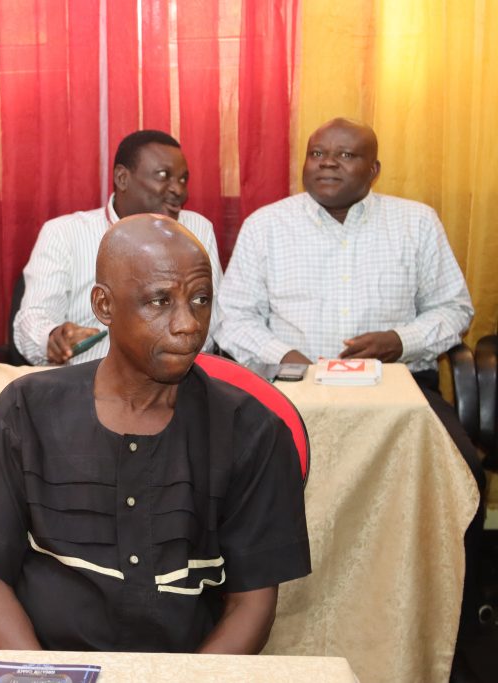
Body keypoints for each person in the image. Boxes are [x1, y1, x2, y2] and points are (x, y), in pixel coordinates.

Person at [0, 215, 310, 653]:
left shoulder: (252, 430)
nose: (188, 324)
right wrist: (44, 676)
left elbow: (251, 605)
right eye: (160, 301)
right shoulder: (27, 410)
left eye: (200, 299)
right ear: (104, 305)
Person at [214, 117, 484, 637]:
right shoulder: (267, 226)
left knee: (464, 472)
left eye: (345, 155)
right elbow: (233, 318)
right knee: (226, 476)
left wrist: (400, 341)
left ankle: (449, 625)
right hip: (289, 392)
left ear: (374, 170)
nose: (328, 164)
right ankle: (248, 617)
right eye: (318, 153)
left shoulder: (416, 223)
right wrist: (286, 355)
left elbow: (454, 309)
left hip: (399, 392)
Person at [12, 130, 223, 366]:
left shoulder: (197, 229)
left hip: (174, 376)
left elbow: (213, 320)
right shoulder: (64, 233)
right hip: (85, 377)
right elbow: (34, 317)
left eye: (183, 179)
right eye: (164, 176)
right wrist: (52, 337)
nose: (178, 190)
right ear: (122, 178)